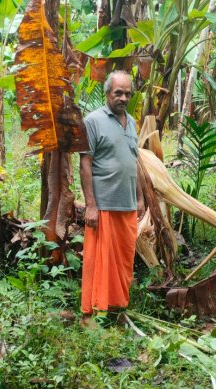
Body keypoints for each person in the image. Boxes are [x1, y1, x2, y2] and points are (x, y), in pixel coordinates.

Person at [79, 70, 143, 327]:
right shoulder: (92, 121)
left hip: (127, 204)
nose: (123, 98)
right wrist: (91, 205)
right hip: (103, 204)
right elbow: (85, 164)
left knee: (123, 260)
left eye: (127, 93)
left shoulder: (132, 122)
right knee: (98, 263)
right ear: (107, 93)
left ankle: (115, 309)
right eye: (118, 93)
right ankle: (89, 314)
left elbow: (135, 162)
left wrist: (139, 198)